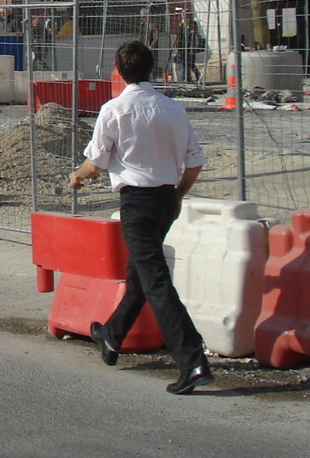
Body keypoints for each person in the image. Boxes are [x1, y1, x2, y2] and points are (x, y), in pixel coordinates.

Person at [69, 40, 213, 395]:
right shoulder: (173, 109)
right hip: (166, 199)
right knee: (140, 276)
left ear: (118, 71)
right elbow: (194, 161)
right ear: (152, 68)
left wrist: (77, 175)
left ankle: (192, 360)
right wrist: (177, 195)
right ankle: (113, 337)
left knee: (156, 282)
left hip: (137, 203)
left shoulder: (115, 110)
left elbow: (96, 162)